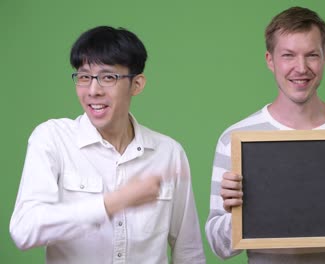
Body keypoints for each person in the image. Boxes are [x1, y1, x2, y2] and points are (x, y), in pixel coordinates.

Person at [205, 6, 325, 264]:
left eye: (312, 55)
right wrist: (237, 215)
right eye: (288, 55)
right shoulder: (236, 138)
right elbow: (220, 247)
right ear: (270, 60)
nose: (301, 68)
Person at [10, 26, 205, 264]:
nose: (93, 90)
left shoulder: (169, 153)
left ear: (137, 84)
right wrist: (113, 203)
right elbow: (24, 231)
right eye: (84, 77)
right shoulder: (52, 138)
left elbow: (189, 252)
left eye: (108, 77)